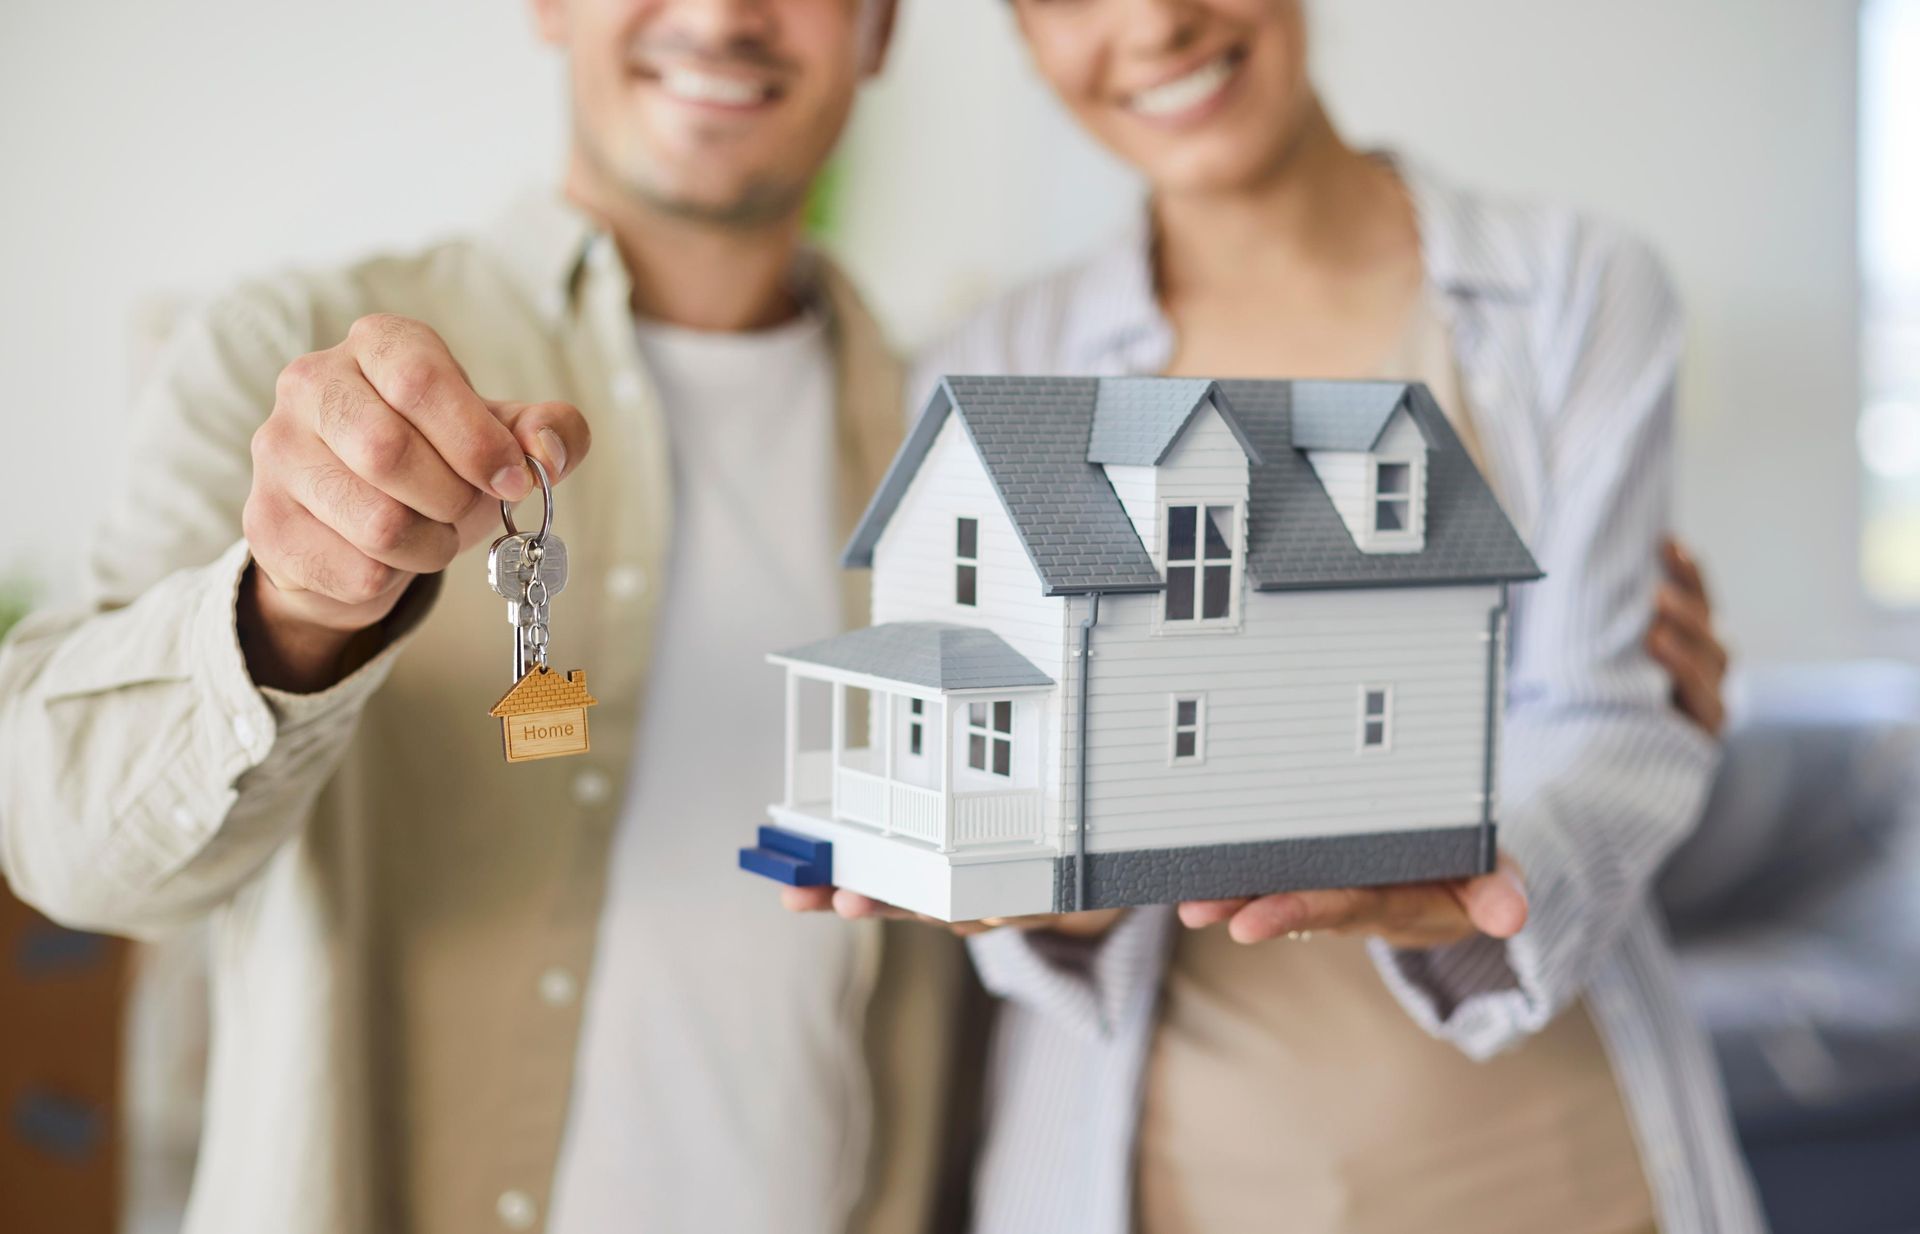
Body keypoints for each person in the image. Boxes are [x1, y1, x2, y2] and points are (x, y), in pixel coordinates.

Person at [0, 3, 972, 1233]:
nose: (725, 14)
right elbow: (66, 847)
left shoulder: (950, 432)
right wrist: (291, 613)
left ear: (880, 28)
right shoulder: (287, 359)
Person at [792, 1, 1758, 1231]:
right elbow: (1010, 731)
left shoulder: (1574, 288)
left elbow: (1608, 717)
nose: (1155, 22)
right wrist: (1056, 874)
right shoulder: (993, 362)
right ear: (1023, 32)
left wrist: (1487, 868)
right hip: (1168, 1175)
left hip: (1558, 1164)